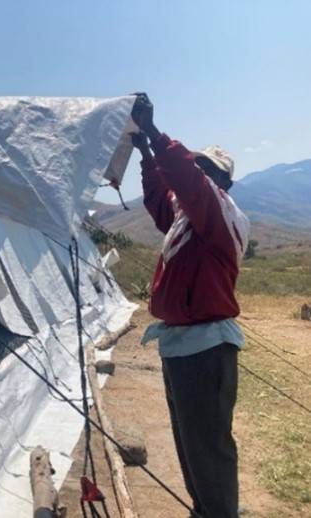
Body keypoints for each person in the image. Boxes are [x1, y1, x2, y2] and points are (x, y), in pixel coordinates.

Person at [130, 93, 250, 518]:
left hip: (205, 349)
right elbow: (162, 200)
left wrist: (156, 135)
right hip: (183, 346)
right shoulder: (190, 218)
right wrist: (146, 153)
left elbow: (187, 184)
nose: (198, 174)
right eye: (197, 165)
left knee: (208, 448)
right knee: (189, 442)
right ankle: (205, 510)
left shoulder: (221, 213)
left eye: (207, 170)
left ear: (223, 183)